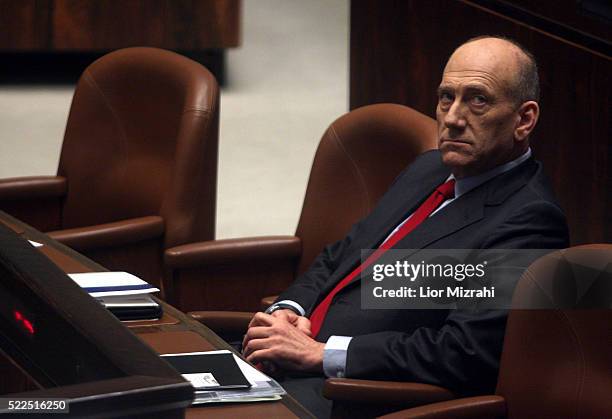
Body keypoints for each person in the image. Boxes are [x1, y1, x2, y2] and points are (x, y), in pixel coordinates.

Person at [242, 36, 569, 417]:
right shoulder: (428, 168)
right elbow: (341, 256)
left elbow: (462, 351)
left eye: (478, 99)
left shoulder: (529, 218)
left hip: (352, 395)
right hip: (287, 362)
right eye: (447, 97)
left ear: (524, 119)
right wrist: (288, 309)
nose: (453, 118)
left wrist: (321, 354)